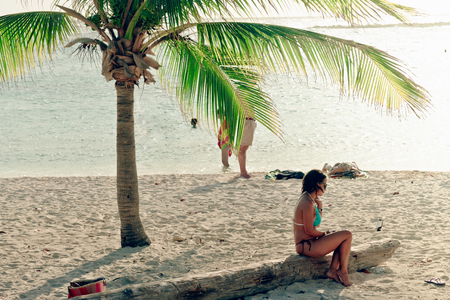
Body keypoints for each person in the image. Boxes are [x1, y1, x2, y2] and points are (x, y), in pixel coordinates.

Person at [292, 169, 353, 287]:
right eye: (325, 185)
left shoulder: (309, 199)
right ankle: (342, 271)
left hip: (309, 243)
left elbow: (316, 225)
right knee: (347, 235)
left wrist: (320, 207)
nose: (325, 189)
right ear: (317, 184)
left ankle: (332, 271)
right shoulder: (307, 202)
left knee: (343, 237)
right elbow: (310, 231)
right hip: (305, 245)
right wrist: (324, 234)